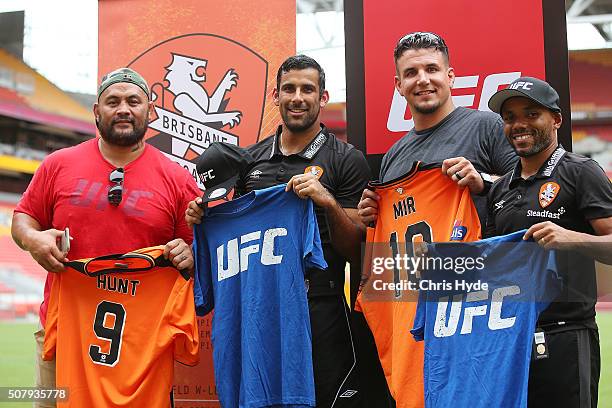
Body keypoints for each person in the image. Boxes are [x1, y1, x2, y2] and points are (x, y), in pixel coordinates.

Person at [187, 55, 371, 407]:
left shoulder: (346, 159)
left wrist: (328, 202)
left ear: (323, 97)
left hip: (321, 310)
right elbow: (233, 233)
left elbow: (358, 253)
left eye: (307, 89)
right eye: (289, 88)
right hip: (260, 310)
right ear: (276, 96)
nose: (297, 97)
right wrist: (203, 216)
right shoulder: (248, 160)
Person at [11, 67, 200, 408]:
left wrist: (190, 253)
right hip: (63, 334)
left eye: (133, 101)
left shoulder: (176, 179)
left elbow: (197, 245)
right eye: (112, 101)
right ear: (97, 111)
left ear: (150, 111)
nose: (123, 109)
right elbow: (22, 219)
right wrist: (32, 240)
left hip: (142, 344)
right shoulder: (58, 165)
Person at [485, 76, 612, 408]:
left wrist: (574, 239)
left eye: (531, 114)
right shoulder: (500, 189)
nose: (519, 125)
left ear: (556, 119)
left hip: (566, 335)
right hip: (510, 338)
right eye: (510, 117)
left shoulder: (581, 172)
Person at [357, 31, 517, 226]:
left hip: (479, 257)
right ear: (399, 85)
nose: (422, 79)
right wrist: (375, 216)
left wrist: (483, 181)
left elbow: (529, 190)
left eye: (432, 69)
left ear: (450, 77)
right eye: (411, 73)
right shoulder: (392, 156)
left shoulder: (488, 126)